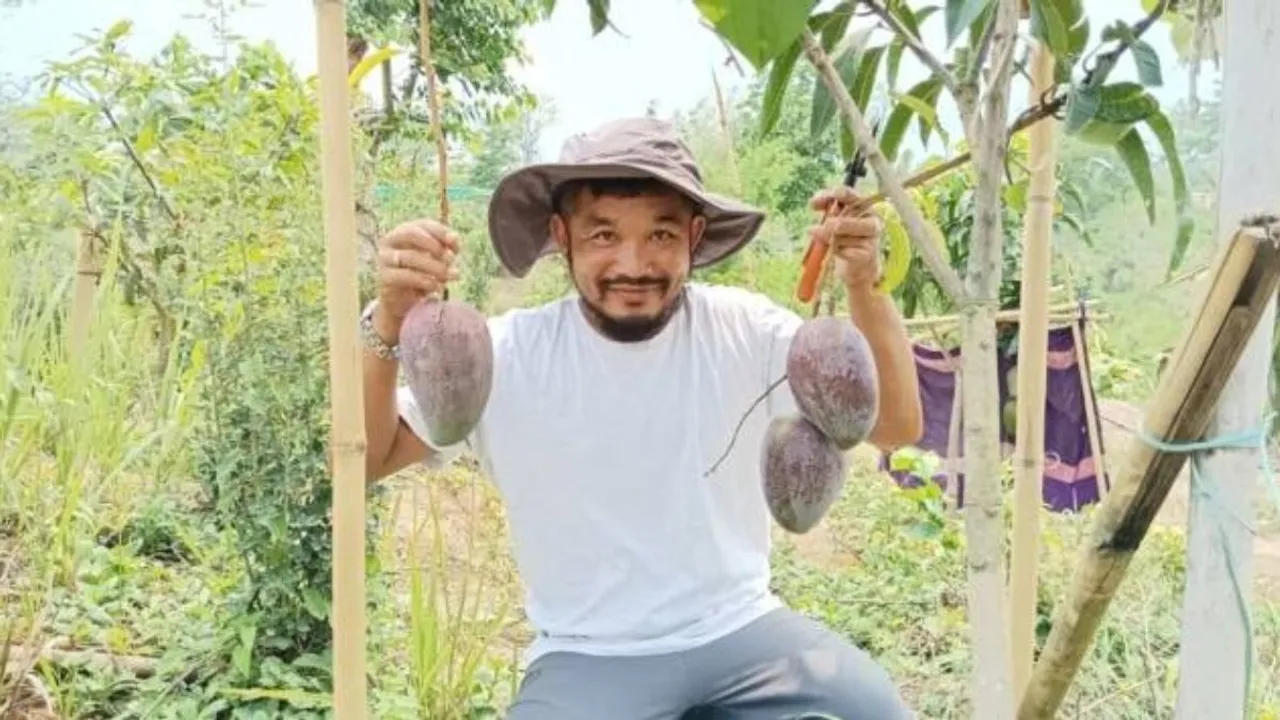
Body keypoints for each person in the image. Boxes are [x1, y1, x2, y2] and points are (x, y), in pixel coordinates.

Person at [359, 116, 922, 719]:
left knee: (873, 710)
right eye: (603, 235)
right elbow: (371, 458)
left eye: (660, 235)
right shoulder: (508, 354)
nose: (634, 263)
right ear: (562, 236)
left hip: (740, 628)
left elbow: (894, 427)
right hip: (588, 656)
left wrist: (865, 286)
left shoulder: (745, 330)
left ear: (694, 235)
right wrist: (389, 322)